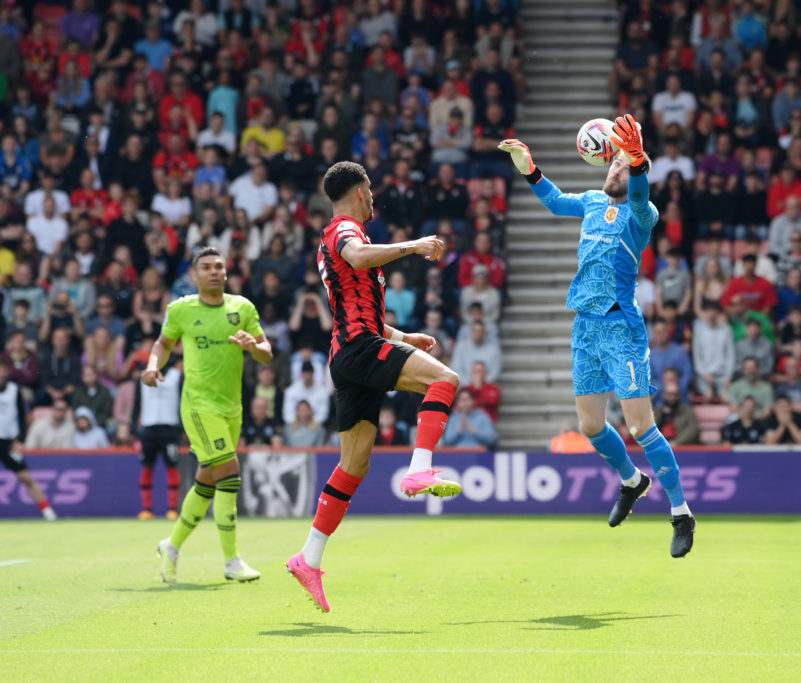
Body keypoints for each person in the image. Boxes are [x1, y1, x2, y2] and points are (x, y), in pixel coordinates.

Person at [499, 115, 696, 558]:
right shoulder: (590, 200)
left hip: (620, 327)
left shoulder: (641, 216)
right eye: (614, 165)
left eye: (623, 168)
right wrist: (529, 167)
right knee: (589, 424)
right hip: (584, 326)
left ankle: (681, 513)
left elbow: (643, 194)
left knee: (642, 425)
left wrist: (640, 162)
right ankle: (632, 480)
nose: (615, 170)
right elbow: (553, 201)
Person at [287, 161, 460, 613]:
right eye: (371, 190)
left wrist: (404, 337)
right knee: (445, 379)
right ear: (360, 191)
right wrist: (413, 246)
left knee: (354, 465)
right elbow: (359, 258)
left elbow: (358, 307)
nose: (374, 199)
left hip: (351, 352)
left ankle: (309, 558)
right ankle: (420, 468)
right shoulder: (345, 229)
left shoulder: (342, 237)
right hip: (358, 349)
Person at [144, 246, 273, 585]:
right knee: (230, 472)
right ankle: (232, 560)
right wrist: (152, 366)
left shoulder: (242, 307)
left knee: (208, 479)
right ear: (195, 275)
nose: (214, 271)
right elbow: (163, 343)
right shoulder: (181, 310)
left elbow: (267, 354)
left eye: (219, 266)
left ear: (226, 273)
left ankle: (171, 547)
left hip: (232, 407)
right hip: (199, 406)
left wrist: (252, 346)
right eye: (206, 267)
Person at [0, 359, 56, 520]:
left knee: (26, 477)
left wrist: (20, 440)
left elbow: (21, 416)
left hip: (8, 442)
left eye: (2, 369)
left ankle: (47, 511)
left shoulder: (13, 390)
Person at [133, 358, 183, 520]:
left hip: (170, 428)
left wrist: (182, 427)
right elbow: (137, 403)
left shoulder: (177, 376)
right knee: (147, 467)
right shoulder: (143, 376)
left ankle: (172, 509)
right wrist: (135, 427)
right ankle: (147, 509)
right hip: (149, 427)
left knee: (172, 466)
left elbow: (183, 401)